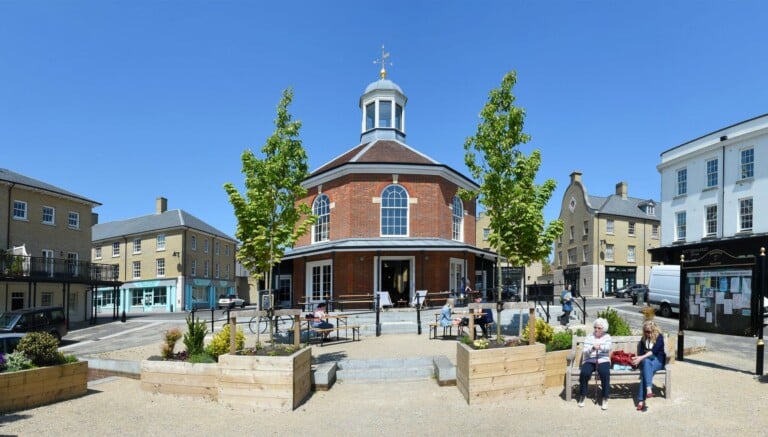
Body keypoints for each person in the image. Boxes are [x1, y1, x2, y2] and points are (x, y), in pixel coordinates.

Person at [578, 317, 612, 410]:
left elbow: (608, 347)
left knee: (605, 373)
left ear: (603, 329)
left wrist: (600, 346)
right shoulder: (589, 337)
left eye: (599, 328)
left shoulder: (607, 337)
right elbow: (585, 351)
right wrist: (592, 348)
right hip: (590, 360)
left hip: (603, 359)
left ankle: (605, 397)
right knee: (584, 373)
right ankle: (582, 395)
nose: (596, 329)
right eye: (595, 327)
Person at [632, 320, 666, 411]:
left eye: (649, 331)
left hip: (657, 361)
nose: (648, 333)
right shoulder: (643, 339)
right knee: (647, 363)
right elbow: (641, 353)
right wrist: (637, 360)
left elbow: (653, 352)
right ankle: (649, 389)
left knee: (645, 373)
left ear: (654, 330)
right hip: (646, 362)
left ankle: (641, 401)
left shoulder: (659, 338)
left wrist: (640, 358)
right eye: (646, 331)